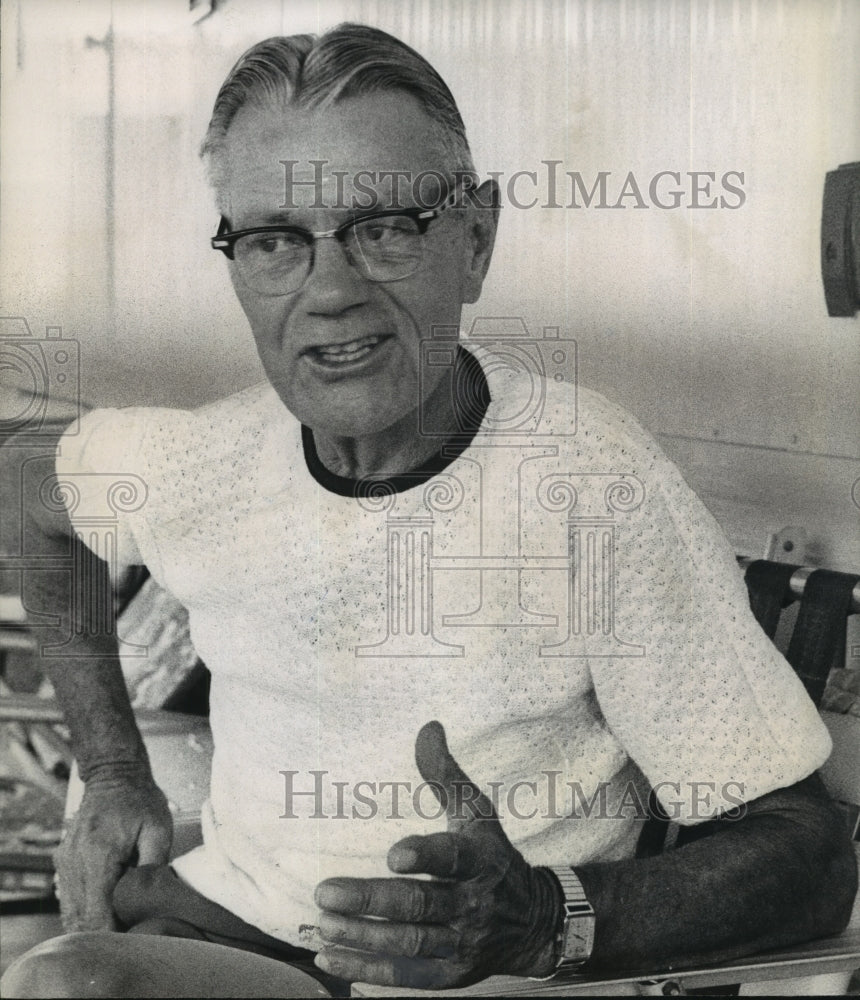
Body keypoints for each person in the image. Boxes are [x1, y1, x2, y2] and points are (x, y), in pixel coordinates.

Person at [2, 23, 855, 998]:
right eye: (277, 240)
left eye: (385, 228)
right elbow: (25, 494)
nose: (329, 290)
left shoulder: (583, 481)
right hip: (232, 938)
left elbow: (807, 854)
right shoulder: (209, 456)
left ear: (475, 239)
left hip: (481, 977)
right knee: (64, 982)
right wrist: (110, 768)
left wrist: (543, 920)